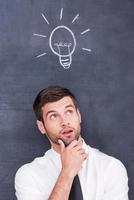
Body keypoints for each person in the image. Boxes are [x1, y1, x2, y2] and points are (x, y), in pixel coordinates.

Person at [15, 86, 129, 200]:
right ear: (41, 126)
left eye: (69, 112)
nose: (65, 122)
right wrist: (67, 172)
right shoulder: (28, 175)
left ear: (79, 116)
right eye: (53, 116)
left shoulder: (111, 168)